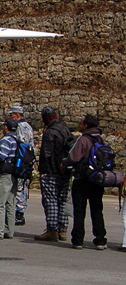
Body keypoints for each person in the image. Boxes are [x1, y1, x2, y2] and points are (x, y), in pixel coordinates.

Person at [65, 115, 108, 250]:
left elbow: (74, 157)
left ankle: (78, 240)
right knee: (97, 210)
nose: (80, 125)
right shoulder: (101, 140)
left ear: (86, 125)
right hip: (97, 179)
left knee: (79, 211)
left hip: (82, 178)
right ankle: (100, 239)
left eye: (81, 123)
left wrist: (64, 162)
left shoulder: (83, 140)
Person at [36, 107, 72, 242]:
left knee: (50, 201)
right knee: (62, 200)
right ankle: (62, 230)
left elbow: (47, 154)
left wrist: (43, 171)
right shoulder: (65, 129)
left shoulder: (50, 132)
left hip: (52, 172)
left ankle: (52, 230)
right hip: (65, 170)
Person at [7, 105, 33, 225]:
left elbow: (21, 143)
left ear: (17, 115)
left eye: (11, 114)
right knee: (23, 186)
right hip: (28, 159)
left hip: (21, 160)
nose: (10, 116)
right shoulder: (28, 126)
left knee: (19, 187)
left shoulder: (20, 127)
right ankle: (20, 211)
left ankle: (19, 213)